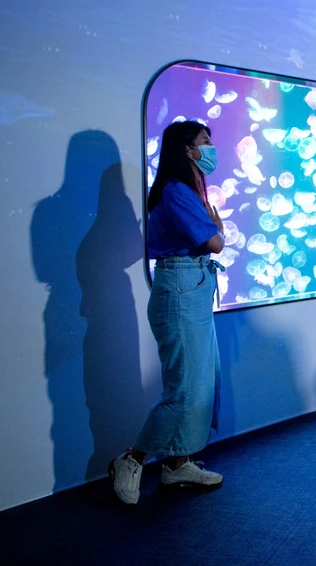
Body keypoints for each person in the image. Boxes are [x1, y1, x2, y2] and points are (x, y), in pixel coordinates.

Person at [109, 120, 227, 505]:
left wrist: (214, 233)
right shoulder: (177, 192)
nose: (210, 148)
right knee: (185, 388)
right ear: (187, 150)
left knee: (203, 379)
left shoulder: (185, 190)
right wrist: (218, 231)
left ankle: (178, 464)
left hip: (192, 287)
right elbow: (213, 241)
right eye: (204, 142)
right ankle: (132, 458)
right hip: (180, 289)